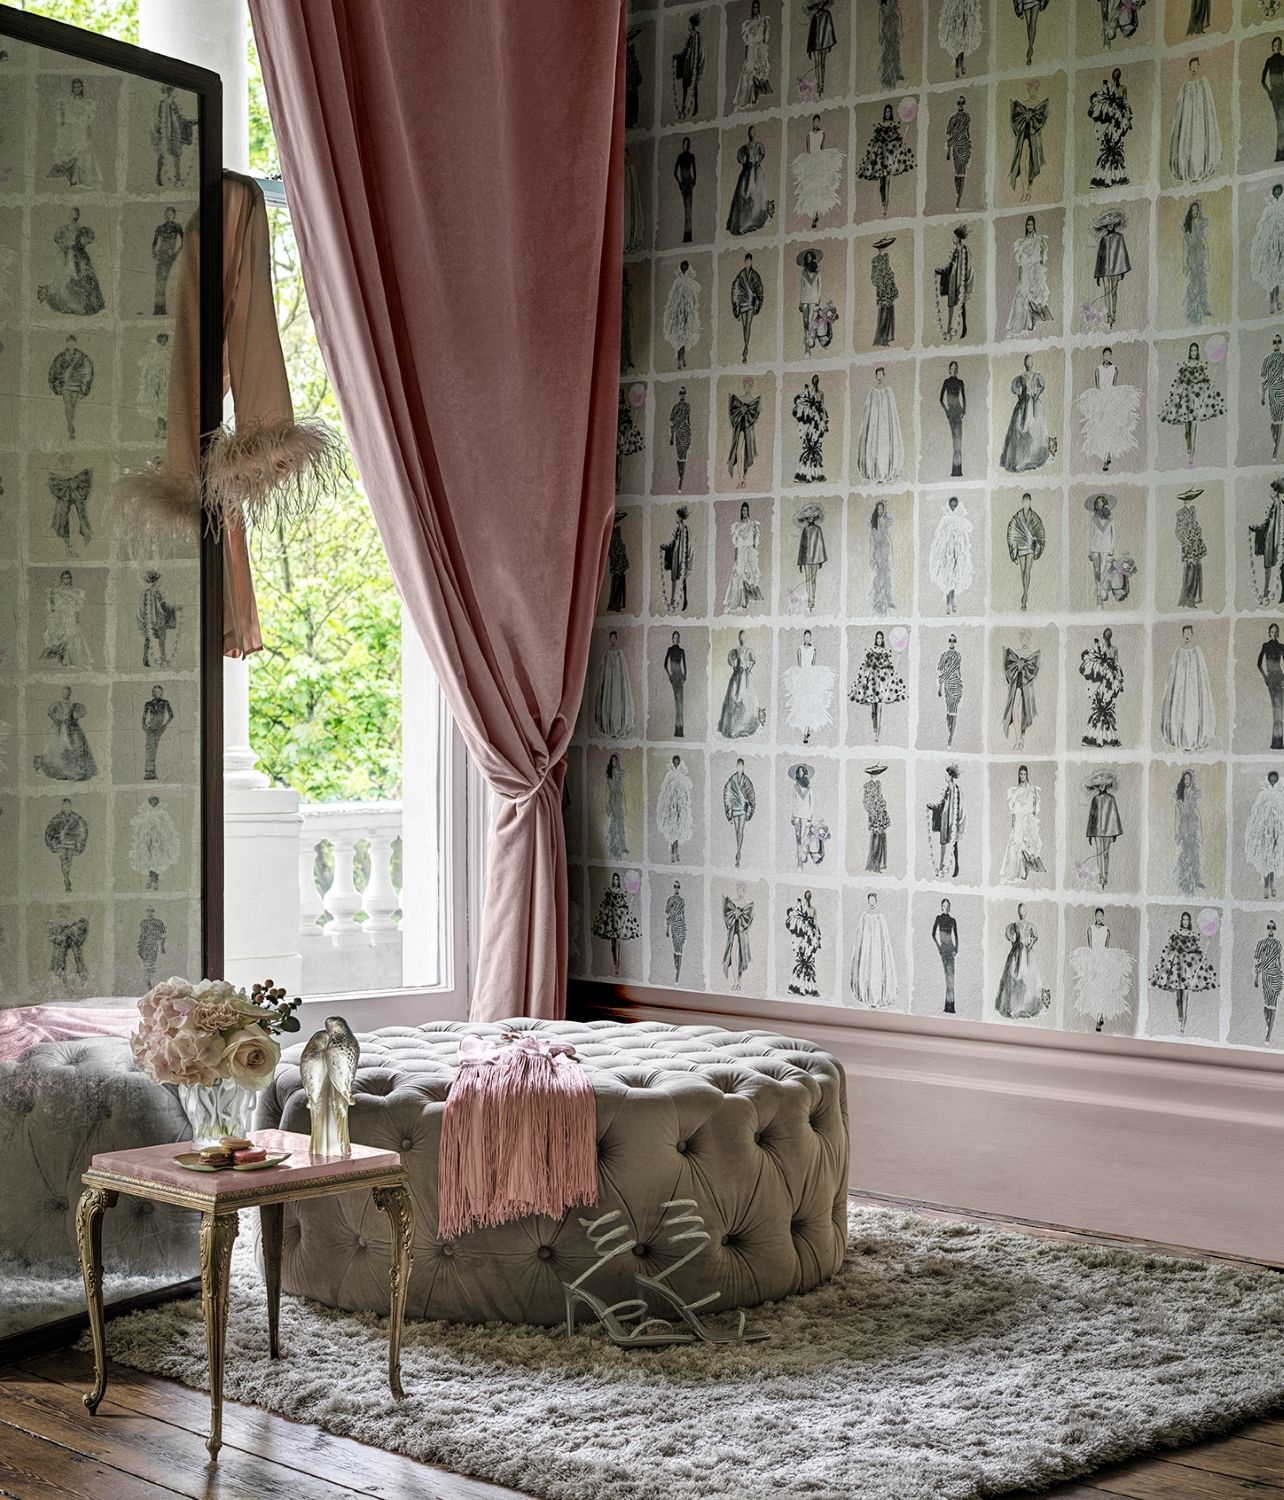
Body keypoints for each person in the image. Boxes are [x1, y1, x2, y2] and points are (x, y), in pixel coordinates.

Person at [1149, 910, 1216, 1037]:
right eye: (1184, 919)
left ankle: (1182, 1027)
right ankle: (1180, 1015)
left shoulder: (1192, 936)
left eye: (1187, 920)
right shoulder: (1177, 934)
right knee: (1179, 999)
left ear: (1189, 921)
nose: (1185, 922)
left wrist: (1206, 944)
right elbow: (1171, 951)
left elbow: (1196, 954)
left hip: (1188, 972)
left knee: (1185, 999)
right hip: (1177, 971)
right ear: (1181, 921)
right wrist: (1166, 966)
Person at [1159, 341, 1225, 469]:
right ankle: (1189, 446)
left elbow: (1205, 384)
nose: (1193, 352)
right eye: (1192, 350)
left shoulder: (1201, 366)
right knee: (1187, 430)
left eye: (1195, 350)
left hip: (1196, 403)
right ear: (1190, 352)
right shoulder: (1185, 365)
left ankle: (1191, 459)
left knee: (1194, 427)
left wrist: (1215, 368)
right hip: (1186, 402)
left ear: (1197, 352)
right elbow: (1179, 383)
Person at [1071, 909, 1135, 1033]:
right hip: (1094, 962)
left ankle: (1100, 1017)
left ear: (1103, 917)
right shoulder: (1090, 929)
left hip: (1103, 963)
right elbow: (1090, 947)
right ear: (1095, 916)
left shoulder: (1107, 930)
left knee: (1103, 989)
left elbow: (1106, 947)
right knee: (1093, 989)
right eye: (1098, 915)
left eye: (1101, 916)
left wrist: (1106, 963)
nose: (1099, 918)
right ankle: (1098, 1016)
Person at [1077, 347, 1139, 474]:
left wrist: (1115, 403)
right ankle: (1106, 456)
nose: (1107, 357)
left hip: (1111, 402)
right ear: (1102, 356)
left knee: (1111, 429)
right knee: (1102, 429)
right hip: (1101, 402)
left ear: (1111, 356)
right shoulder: (1098, 370)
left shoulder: (1114, 369)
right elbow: (1098, 387)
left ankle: (1108, 455)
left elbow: (1114, 385)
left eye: (1109, 355)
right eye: (1105, 355)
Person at [38, 207, 105, 317]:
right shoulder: (63, 229)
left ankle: (83, 304)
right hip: (66, 256)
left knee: (83, 277)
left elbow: (88, 240)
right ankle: (69, 303)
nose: (74, 216)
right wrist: (64, 247)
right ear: (69, 215)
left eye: (75, 214)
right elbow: (58, 240)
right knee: (65, 279)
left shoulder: (82, 229)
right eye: (72, 213)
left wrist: (78, 247)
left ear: (78, 216)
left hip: (79, 256)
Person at [1160, 623, 1217, 752]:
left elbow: (1201, 672)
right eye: (1184, 633)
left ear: (1192, 634)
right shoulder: (1178, 652)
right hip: (1181, 687)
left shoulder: (1197, 651)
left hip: (1193, 687)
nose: (1187, 635)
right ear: (1182, 634)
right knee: (1180, 708)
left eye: (1189, 633)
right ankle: (1181, 739)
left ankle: (1193, 739)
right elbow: (1173, 671)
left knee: (1192, 710)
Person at [1168, 56, 1222, 184]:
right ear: (1189, 67)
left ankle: (1199, 170)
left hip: (1200, 118)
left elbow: (1208, 103)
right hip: (1189, 120)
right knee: (1189, 142)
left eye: (1195, 66)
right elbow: (1181, 106)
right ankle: (1190, 170)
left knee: (1199, 141)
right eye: (1191, 66)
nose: (1193, 69)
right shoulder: (1186, 85)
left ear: (1198, 66)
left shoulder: (1203, 83)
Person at [857, 102, 915, 219]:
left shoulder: (894, 126)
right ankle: (883, 202)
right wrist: (872, 155)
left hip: (890, 158)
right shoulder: (880, 126)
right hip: (881, 159)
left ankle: (886, 208)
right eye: (886, 112)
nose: (887, 113)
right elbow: (875, 142)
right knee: (882, 184)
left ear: (891, 113)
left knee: (888, 182)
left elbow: (897, 142)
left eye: (889, 111)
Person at [849, 630, 906, 744]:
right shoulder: (871, 651)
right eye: (877, 638)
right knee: (873, 710)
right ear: (875, 639)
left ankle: (877, 735)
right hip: (872, 684)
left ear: (882, 640)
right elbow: (867, 667)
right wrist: (863, 681)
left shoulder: (885, 652)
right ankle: (874, 726)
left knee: (880, 709)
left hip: (881, 684)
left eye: (881, 638)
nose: (879, 640)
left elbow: (888, 669)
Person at [1000, 353, 1052, 473]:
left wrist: (1036, 395)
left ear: (1032, 363)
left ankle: (1034, 457)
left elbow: (1042, 386)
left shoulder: (1036, 376)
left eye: (1030, 361)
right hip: (1024, 405)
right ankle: (1021, 459)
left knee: (1034, 429)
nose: (1028, 363)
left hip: (1034, 406)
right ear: (1024, 363)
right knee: (1019, 429)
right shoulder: (1021, 377)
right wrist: (1021, 398)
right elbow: (1016, 389)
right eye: (1027, 361)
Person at [995, 903, 1048, 1019]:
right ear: (1018, 912)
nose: (1022, 913)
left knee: (1028, 977)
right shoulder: (1015, 925)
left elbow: (1035, 937)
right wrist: (1015, 945)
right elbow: (1011, 937)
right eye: (1020, 911)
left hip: (1027, 954)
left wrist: (1030, 944)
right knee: (1013, 976)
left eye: (1023, 911)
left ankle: (1027, 1006)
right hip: (1017, 953)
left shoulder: (1029, 925)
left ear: (1026, 912)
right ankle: (1014, 1006)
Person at [34, 687, 96, 782]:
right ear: (61, 693)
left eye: (67, 692)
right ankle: (60, 769)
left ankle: (74, 769)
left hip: (72, 728)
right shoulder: (57, 704)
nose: (66, 694)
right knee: (59, 747)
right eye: (64, 692)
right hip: (59, 729)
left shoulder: (74, 704)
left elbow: (78, 715)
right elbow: (51, 714)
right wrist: (57, 719)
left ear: (70, 693)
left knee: (76, 745)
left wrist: (74, 719)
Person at [792, 115, 844, 229]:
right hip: (812, 163)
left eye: (818, 122)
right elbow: (809, 150)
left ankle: (816, 214)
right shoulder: (809, 135)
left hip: (820, 161)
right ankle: (814, 215)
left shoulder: (822, 134)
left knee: (820, 189)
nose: (816, 123)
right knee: (811, 190)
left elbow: (822, 147)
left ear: (819, 123)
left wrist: (824, 161)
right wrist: (809, 165)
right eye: (815, 122)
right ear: (812, 123)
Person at [48, 78, 102, 188]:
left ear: (82, 88)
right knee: (69, 154)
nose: (77, 89)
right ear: (72, 88)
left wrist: (88, 132)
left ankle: (78, 180)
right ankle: (71, 179)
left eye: (79, 87)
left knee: (81, 154)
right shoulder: (67, 102)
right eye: (75, 87)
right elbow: (62, 119)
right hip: (70, 132)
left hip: (80, 131)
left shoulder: (86, 103)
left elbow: (88, 121)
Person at [784, 628, 834, 745]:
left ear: (811, 638)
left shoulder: (814, 650)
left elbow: (813, 665)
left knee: (811, 704)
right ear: (803, 638)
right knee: (802, 705)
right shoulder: (800, 650)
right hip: (802, 679)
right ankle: (805, 730)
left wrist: (813, 679)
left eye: (809, 637)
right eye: (805, 637)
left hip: (811, 679)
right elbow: (800, 665)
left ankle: (807, 730)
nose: (807, 638)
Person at [856, 366, 905, 485]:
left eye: (881, 375)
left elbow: (892, 410)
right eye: (877, 375)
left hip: (885, 425)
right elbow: (868, 410)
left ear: (884, 376)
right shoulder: (872, 392)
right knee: (874, 445)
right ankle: (875, 472)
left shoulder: (888, 391)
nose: (879, 377)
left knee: (884, 445)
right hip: (874, 425)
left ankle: (884, 473)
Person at [850, 892, 897, 1008]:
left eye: (873, 900)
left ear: (876, 901)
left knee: (876, 970)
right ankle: (868, 996)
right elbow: (860, 935)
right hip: (867, 948)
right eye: (870, 900)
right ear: (868, 901)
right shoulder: (865, 917)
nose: (871, 903)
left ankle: (876, 997)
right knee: (867, 969)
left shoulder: (880, 917)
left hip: (877, 948)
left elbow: (884, 936)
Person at [1007, 216, 1051, 337]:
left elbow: (1042, 258)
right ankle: (1029, 323)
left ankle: (1039, 320)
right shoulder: (1023, 242)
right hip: (1026, 272)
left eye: (1031, 224)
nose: (1029, 227)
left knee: (1037, 296)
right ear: (1026, 226)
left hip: (1036, 271)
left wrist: (1038, 268)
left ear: (1034, 225)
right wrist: (1020, 277)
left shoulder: (1039, 239)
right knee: (1024, 296)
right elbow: (1021, 263)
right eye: (1028, 225)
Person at [1087, 69, 1133, 188]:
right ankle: (1103, 177)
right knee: (1108, 147)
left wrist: (1125, 119)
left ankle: (1116, 176)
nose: (1116, 77)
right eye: (1115, 75)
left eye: (1117, 75)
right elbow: (1101, 102)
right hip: (1110, 122)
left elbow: (1125, 103)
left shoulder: (1123, 88)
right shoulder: (1108, 88)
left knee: (1115, 148)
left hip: (1118, 121)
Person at [1080, 628, 1125, 748]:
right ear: (1104, 636)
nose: (1107, 638)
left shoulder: (1114, 649)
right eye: (1106, 636)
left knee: (1107, 708)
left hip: (1110, 681)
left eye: (1109, 636)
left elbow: (1116, 664)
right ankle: (1096, 737)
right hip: (1101, 681)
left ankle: (1108, 737)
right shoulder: (1099, 648)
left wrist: (1118, 679)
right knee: (1100, 707)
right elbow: (1092, 660)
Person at [929, 495, 973, 614]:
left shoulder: (960, 518)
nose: (953, 507)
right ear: (949, 506)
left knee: (954, 578)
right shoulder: (945, 519)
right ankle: (947, 603)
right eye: (951, 505)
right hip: (946, 554)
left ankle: (953, 601)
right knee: (947, 578)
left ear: (957, 506)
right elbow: (938, 534)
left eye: (955, 505)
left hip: (956, 554)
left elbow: (966, 532)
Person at [1000, 764, 1044, 884]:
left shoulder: (1032, 789)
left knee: (1029, 845)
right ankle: (1021, 871)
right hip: (1019, 820)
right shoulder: (1015, 790)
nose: (1022, 776)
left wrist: (1032, 821)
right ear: (1019, 775)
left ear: (1027, 775)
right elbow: (1013, 810)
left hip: (1028, 821)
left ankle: (1028, 868)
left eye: (1024, 774)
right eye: (1021, 774)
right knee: (1017, 845)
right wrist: (1014, 824)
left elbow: (1035, 808)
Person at [592, 872, 640, 978]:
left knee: (618, 944)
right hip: (611, 921)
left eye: (617, 879)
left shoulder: (621, 893)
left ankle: (617, 968)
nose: (615, 881)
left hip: (619, 922)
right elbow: (605, 906)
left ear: (619, 881)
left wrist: (627, 912)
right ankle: (615, 963)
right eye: (614, 879)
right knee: (613, 945)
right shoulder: (609, 892)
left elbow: (624, 907)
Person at [1091, 207, 1131, 330]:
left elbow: (1122, 254)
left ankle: (1114, 314)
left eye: (1111, 223)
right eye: (1107, 223)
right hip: (1104, 270)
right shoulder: (1103, 239)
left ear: (1114, 224)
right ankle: (1108, 316)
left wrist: (1122, 271)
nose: (1109, 225)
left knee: (1114, 292)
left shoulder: (1119, 237)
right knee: (1106, 292)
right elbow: (1100, 257)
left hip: (1116, 269)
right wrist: (1098, 275)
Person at [726, 124, 770, 236]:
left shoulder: (758, 145)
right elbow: (740, 158)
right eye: (750, 132)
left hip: (756, 172)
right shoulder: (745, 147)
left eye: (753, 132)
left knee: (756, 194)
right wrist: (746, 164)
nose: (751, 134)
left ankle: (756, 219)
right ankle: (744, 222)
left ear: (755, 134)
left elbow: (762, 155)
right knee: (744, 194)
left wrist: (757, 162)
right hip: (747, 171)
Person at [42, 569, 90, 668]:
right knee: (59, 638)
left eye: (68, 578)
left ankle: (70, 661)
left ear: (70, 579)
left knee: (72, 637)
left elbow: (76, 608)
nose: (66, 580)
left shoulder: (75, 592)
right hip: (60, 617)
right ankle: (62, 659)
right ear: (61, 579)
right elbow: (52, 607)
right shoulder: (56, 591)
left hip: (70, 617)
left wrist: (77, 621)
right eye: (64, 578)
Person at [129, 795, 179, 892]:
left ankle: (155, 880)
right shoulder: (145, 811)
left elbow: (167, 825)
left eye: (155, 801)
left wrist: (162, 834)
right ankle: (150, 879)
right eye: (152, 800)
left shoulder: (161, 812)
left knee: (157, 860)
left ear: (157, 802)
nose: (154, 802)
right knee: (149, 860)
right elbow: (137, 821)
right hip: (147, 840)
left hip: (158, 841)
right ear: (149, 802)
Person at [718, 629, 761, 738]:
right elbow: (731, 661)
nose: (742, 639)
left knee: (746, 699)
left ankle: (745, 726)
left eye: (744, 637)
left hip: (746, 677)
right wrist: (735, 668)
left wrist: (748, 669)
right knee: (734, 697)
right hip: (737, 677)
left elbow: (753, 660)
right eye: (741, 637)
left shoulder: (749, 650)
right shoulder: (736, 650)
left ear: (746, 638)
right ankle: (735, 727)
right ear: (738, 638)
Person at [1007, 493, 1045, 611]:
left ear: (1030, 502)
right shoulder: (1017, 517)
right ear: (1022, 502)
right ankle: (1025, 592)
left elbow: (1040, 531)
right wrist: (1014, 551)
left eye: (1028, 501)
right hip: (1020, 547)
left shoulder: (1034, 517)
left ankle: (1025, 595)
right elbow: (1012, 531)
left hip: (1030, 547)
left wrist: (1036, 542)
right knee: (1023, 571)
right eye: (1025, 501)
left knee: (1028, 570)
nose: (1026, 503)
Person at [593, 631, 635, 739]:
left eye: (614, 638)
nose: (612, 641)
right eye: (611, 639)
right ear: (609, 640)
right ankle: (608, 726)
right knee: (608, 702)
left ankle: (617, 728)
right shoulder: (606, 654)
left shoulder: (620, 654)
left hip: (617, 683)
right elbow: (602, 669)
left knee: (617, 703)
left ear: (616, 639)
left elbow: (623, 671)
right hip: (608, 683)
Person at [1002, 637, 1041, 751]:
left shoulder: (1032, 653)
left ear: (1029, 639)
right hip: (1018, 683)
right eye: (1023, 638)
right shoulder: (1016, 652)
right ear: (1020, 639)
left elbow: (1035, 670)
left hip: (1027, 685)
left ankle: (1022, 741)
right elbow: (1008, 668)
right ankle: (1018, 739)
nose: (1025, 641)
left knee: (1026, 712)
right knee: (1014, 710)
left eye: (1027, 638)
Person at [1008, 92, 1049, 200]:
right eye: (1030, 88)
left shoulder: (1039, 103)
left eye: (1034, 88)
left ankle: (1029, 191)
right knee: (1022, 161)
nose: (1032, 90)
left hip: (1035, 134)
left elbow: (1041, 119)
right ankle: (1025, 190)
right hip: (1025, 132)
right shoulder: (1024, 102)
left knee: (1033, 162)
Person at [1251, 184, 1284, 315]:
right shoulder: (1269, 209)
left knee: (1277, 275)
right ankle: (1272, 301)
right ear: (1273, 194)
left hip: (1279, 246)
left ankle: (1277, 299)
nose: (1277, 195)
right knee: (1271, 276)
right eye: (1276, 193)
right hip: (1270, 248)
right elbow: (1263, 228)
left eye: (1279, 193)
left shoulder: (1282, 207)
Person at [733, 0, 772, 109]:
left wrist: (762, 50)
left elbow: (764, 38)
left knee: (759, 73)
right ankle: (751, 96)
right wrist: (746, 56)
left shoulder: (763, 21)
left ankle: (757, 95)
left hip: (759, 50)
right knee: (749, 73)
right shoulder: (748, 24)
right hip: (751, 51)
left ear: (758, 8)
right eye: (753, 7)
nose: (755, 9)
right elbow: (747, 42)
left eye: (756, 7)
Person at [724, 501, 763, 612]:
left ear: (748, 511)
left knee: (750, 575)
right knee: (739, 576)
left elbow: (755, 542)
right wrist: (736, 557)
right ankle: (741, 601)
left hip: (749, 553)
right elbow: (736, 544)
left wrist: (752, 554)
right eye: (743, 510)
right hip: (741, 553)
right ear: (741, 511)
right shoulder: (738, 526)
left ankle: (748, 599)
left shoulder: (752, 524)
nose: (744, 512)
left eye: (746, 510)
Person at [937, 224, 973, 343]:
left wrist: (966, 283)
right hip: (952, 279)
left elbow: (969, 267)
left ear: (958, 238)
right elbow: (950, 266)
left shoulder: (965, 250)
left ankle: (964, 328)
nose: (953, 239)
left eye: (955, 237)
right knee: (951, 303)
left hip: (960, 280)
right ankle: (949, 328)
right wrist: (941, 271)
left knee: (962, 304)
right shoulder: (955, 250)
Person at [662, 262, 701, 371]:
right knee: (679, 336)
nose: (684, 269)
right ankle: (679, 359)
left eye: (685, 268)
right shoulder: (677, 281)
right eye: (682, 268)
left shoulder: (689, 281)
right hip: (678, 312)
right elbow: (672, 295)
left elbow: (697, 289)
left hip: (687, 313)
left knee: (685, 335)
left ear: (688, 268)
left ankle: (683, 358)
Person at [152, 83, 193, 186]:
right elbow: (176, 116)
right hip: (167, 131)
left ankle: (175, 177)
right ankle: (161, 176)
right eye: (171, 90)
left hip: (171, 130)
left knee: (173, 154)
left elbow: (178, 116)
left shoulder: (167, 102)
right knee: (167, 154)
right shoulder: (165, 102)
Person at [928, 764, 965, 879]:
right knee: (943, 841)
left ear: (950, 776)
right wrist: (932, 807)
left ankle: (956, 866)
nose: (945, 776)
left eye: (946, 775)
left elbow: (961, 806)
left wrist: (959, 821)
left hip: (953, 818)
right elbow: (940, 804)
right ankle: (941, 865)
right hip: (945, 817)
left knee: (954, 842)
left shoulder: (957, 789)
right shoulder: (946, 789)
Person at [656, 754, 694, 864]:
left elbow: (687, 789)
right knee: (672, 831)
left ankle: (676, 852)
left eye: (678, 762)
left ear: (679, 763)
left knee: (678, 830)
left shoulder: (682, 774)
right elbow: (664, 789)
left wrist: (683, 802)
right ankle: (673, 853)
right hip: (671, 807)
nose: (676, 764)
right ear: (672, 763)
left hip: (679, 807)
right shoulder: (669, 774)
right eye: (675, 762)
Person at [44, 799, 88, 894]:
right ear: (62, 806)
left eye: (68, 805)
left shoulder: (76, 818)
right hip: (61, 844)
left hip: (72, 844)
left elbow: (83, 828)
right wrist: (52, 843)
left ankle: (66, 878)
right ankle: (66, 880)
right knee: (64, 861)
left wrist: (80, 844)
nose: (66, 807)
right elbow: (49, 830)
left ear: (70, 806)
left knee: (69, 861)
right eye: (64, 805)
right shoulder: (57, 818)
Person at [785, 890, 822, 998]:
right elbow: (796, 921)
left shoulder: (813, 909)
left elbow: (815, 923)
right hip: (803, 936)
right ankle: (797, 986)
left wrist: (816, 938)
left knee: (809, 961)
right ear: (805, 897)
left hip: (811, 936)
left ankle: (810, 987)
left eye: (809, 896)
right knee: (802, 961)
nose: (808, 897)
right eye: (807, 896)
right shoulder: (801, 908)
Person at [1173, 769, 1204, 897]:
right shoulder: (1179, 795)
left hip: (1193, 828)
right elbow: (1177, 815)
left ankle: (1195, 880)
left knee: (1194, 854)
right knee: (1185, 854)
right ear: (1182, 780)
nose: (1187, 781)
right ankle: (1185, 881)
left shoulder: (1194, 794)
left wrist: (1201, 831)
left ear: (1192, 780)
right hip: (1184, 828)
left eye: (1189, 779)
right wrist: (1177, 832)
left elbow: (1198, 813)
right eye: (1185, 779)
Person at [1182, 200, 1213, 326]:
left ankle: (1203, 308)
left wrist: (1208, 259)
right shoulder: (1187, 226)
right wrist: (1184, 264)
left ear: (1199, 211)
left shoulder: (1201, 224)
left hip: (1200, 256)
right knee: (1193, 283)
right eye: (1192, 210)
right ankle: (1193, 309)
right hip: (1191, 258)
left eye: (1196, 210)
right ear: (1190, 212)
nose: (1194, 212)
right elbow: (1184, 246)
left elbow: (1205, 241)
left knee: (1201, 282)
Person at [1254, 478, 1284, 607]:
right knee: (1267, 565)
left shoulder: (1282, 505)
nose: (1270, 493)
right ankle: (1265, 591)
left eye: (1271, 491)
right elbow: (1265, 522)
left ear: (1276, 492)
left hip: (1280, 540)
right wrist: (1256, 528)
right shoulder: (1271, 506)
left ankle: (1282, 594)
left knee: (1281, 566)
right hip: (1270, 539)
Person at [48, 467, 92, 555]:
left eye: (69, 460)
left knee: (76, 524)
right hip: (65, 500)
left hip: (72, 499)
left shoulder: (74, 475)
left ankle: (71, 548)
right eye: (65, 461)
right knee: (65, 525)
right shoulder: (59, 475)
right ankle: (69, 549)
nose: (67, 463)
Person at [792, 376, 829, 482]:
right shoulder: (808, 392)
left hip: (818, 422)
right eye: (814, 381)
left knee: (816, 446)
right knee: (808, 446)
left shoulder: (821, 393)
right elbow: (802, 404)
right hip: (810, 422)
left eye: (816, 381)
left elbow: (822, 407)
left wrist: (824, 421)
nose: (815, 382)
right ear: (812, 381)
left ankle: (816, 473)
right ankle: (803, 473)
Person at [730, 252, 764, 363]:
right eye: (746, 261)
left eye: (749, 261)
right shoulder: (741, 275)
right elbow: (735, 287)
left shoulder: (754, 275)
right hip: (742, 303)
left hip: (750, 303)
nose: (748, 263)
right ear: (745, 262)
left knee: (748, 324)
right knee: (744, 326)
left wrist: (757, 301)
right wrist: (736, 306)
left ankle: (746, 347)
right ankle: (745, 345)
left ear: (751, 262)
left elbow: (759, 288)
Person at [1174, 489, 1206, 608]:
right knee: (1190, 573)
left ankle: (1194, 599)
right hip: (1189, 549)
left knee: (1197, 572)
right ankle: (1187, 600)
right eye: (1191, 499)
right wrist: (1188, 542)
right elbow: (1179, 531)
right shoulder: (1181, 513)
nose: (1192, 501)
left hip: (1197, 547)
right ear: (1186, 501)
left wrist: (1198, 536)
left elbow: (1196, 528)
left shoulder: (1193, 512)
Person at [138, 332, 172, 441]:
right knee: (156, 404)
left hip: (165, 383)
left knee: (164, 403)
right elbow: (146, 365)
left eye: (164, 340)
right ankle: (158, 426)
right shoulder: (154, 352)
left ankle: (164, 428)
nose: (162, 342)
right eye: (161, 340)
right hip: (155, 382)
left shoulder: (169, 352)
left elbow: (170, 367)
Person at [151, 206, 184, 316]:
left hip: (169, 257)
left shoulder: (177, 227)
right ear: (165, 215)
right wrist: (155, 254)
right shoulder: (160, 228)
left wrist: (176, 253)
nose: (169, 215)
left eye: (171, 213)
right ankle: (158, 309)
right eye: (168, 213)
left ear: (174, 215)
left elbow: (184, 242)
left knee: (164, 280)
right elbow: (154, 244)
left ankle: (162, 309)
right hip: (161, 256)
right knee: (159, 281)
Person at [723, 758, 756, 868]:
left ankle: (738, 852)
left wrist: (749, 808)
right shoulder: (732, 779)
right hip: (734, 808)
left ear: (743, 767)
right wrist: (728, 811)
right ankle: (739, 851)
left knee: (741, 830)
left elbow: (751, 794)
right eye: (738, 765)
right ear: (736, 767)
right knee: (737, 830)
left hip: (743, 808)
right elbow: (727, 793)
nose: (740, 767)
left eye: (741, 765)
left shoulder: (746, 780)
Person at [794, 502, 828, 608]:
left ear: (814, 517)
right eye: (808, 517)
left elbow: (820, 545)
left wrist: (821, 560)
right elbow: (802, 546)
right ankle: (809, 600)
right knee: (807, 578)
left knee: (813, 579)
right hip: (805, 559)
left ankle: (813, 600)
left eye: (812, 516)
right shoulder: (805, 530)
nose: (810, 518)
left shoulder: (818, 529)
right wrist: (800, 562)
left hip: (815, 558)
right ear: (806, 518)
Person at [727, 382, 761, 486]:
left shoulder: (754, 400)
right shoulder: (739, 398)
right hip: (740, 427)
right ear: (743, 386)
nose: (747, 387)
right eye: (746, 385)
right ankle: (740, 478)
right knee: (738, 451)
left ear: (752, 386)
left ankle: (744, 479)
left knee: (748, 452)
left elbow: (756, 415)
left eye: (750, 385)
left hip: (749, 428)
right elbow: (733, 413)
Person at [1255, 920, 1283, 1044]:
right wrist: (1256, 977)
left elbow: (1278, 961)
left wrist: (1281, 976)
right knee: (1266, 1007)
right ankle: (1268, 1026)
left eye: (1273, 927)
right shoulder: (1261, 943)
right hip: (1265, 976)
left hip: (1275, 976)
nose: (1271, 929)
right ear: (1267, 929)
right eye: (1269, 927)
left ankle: (1268, 1035)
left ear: (1275, 929)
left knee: (1273, 1006)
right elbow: (1258, 962)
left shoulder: (1278, 944)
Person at [673, 13, 705, 120]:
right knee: (686, 85)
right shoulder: (690, 36)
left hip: (692, 64)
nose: (688, 26)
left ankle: (694, 105)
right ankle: (684, 106)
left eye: (689, 24)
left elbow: (699, 51)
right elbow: (686, 50)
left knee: (692, 85)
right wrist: (678, 56)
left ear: (692, 25)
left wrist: (697, 64)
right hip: (688, 63)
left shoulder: (697, 36)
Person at [939, 0, 982, 77]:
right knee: (956, 39)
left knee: (963, 39)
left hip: (966, 8)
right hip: (955, 9)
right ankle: (957, 66)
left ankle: (961, 63)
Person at [662, 504, 693, 612]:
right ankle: (672, 599)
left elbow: (689, 545)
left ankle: (685, 600)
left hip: (682, 556)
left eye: (676, 517)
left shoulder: (686, 529)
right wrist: (665, 547)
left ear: (680, 518)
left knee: (683, 578)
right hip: (675, 555)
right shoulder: (676, 530)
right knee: (673, 578)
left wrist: (687, 559)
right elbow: (672, 543)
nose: (675, 518)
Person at [804, 0, 837, 98]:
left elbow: (829, 29)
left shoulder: (827, 14)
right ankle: (818, 86)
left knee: (822, 64)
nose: (819, 6)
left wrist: (829, 44)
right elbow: (812, 34)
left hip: (824, 44)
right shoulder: (815, 16)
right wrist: (810, 49)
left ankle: (821, 85)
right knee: (818, 64)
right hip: (816, 45)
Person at [1259, 622, 1284, 749]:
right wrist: (1265, 678)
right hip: (1271, 680)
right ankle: (1276, 742)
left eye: (1276, 632)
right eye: (1272, 631)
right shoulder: (1265, 645)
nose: (1274, 634)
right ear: (1269, 633)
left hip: (1280, 679)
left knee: (1279, 709)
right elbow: (1258, 664)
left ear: (1278, 633)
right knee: (1276, 709)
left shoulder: (1281, 646)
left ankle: (1278, 742)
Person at [939, 361, 966, 477]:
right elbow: (940, 399)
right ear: (949, 369)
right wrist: (947, 412)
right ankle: (955, 470)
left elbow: (964, 398)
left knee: (958, 441)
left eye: (956, 368)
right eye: (952, 368)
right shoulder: (946, 382)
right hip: (951, 414)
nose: (954, 370)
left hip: (958, 413)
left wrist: (963, 411)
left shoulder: (960, 382)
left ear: (957, 370)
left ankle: (958, 470)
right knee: (954, 441)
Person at [931, 899, 959, 1013]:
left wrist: (956, 949)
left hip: (950, 950)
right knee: (948, 977)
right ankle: (948, 1006)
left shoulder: (953, 920)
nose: (946, 908)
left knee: (950, 978)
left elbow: (956, 936)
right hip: (944, 950)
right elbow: (933, 934)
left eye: (947, 906)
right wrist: (939, 948)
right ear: (941, 907)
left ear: (949, 907)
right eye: (944, 906)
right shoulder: (938, 918)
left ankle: (950, 1006)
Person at [796, 247, 825, 357]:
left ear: (813, 258)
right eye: (807, 257)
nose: (808, 259)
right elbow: (802, 287)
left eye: (810, 257)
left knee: (810, 322)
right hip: (804, 298)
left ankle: (808, 346)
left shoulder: (818, 272)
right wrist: (800, 301)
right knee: (805, 322)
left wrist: (818, 299)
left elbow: (819, 286)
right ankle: (806, 343)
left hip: (813, 298)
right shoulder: (803, 273)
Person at [722, 893, 754, 990]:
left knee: (742, 956)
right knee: (732, 955)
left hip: (743, 933)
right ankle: (736, 981)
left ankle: (739, 982)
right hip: (735, 932)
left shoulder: (747, 904)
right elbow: (727, 916)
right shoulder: (733, 902)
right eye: (739, 889)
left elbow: (750, 919)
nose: (740, 891)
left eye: (742, 889)